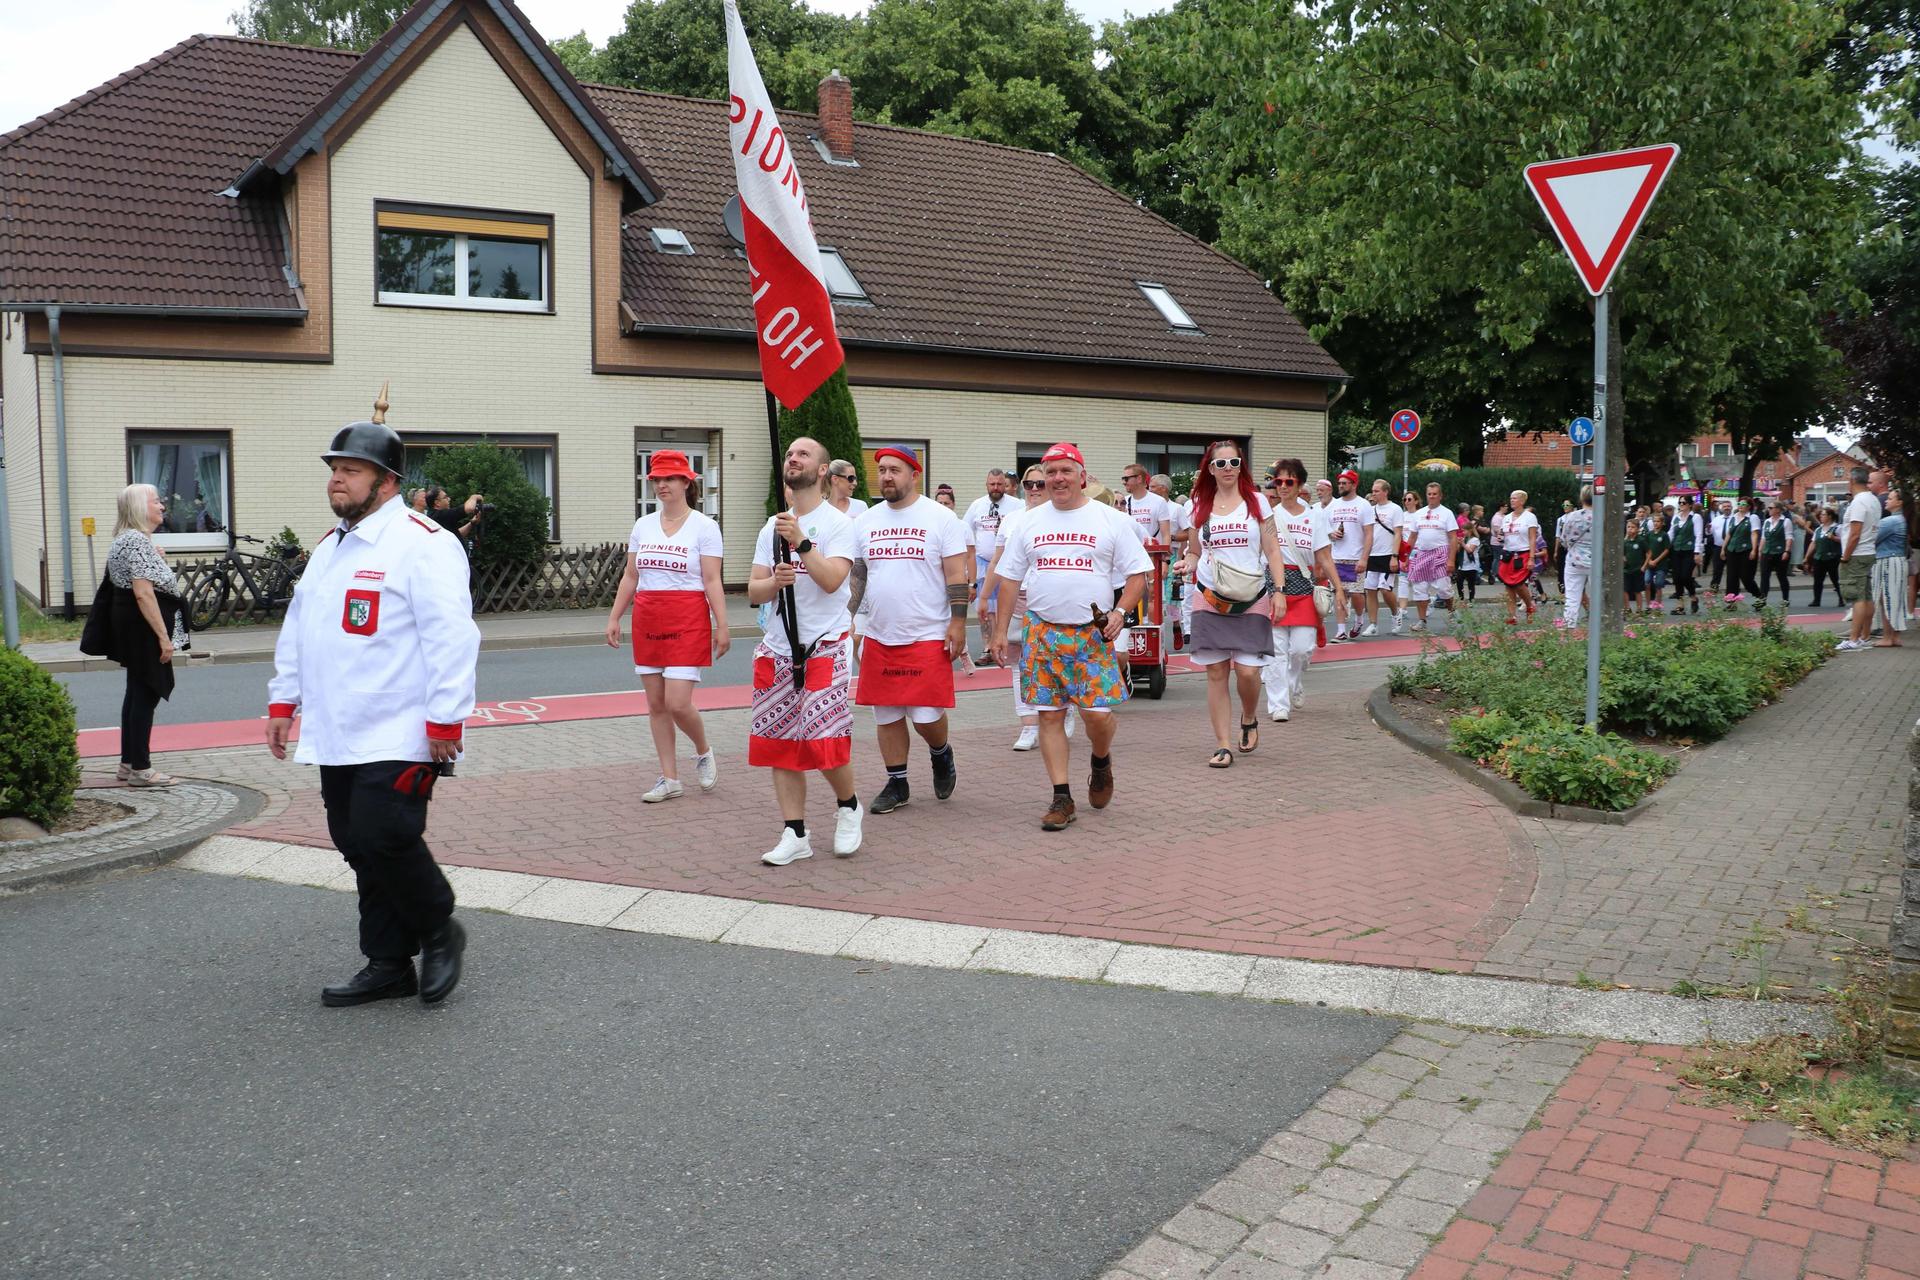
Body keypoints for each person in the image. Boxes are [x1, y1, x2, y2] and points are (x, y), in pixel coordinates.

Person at [266, 398, 480, 1007]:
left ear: (387, 481)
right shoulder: (333, 547)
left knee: (385, 834)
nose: (337, 478)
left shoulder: (425, 542)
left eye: (351, 469)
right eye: (334, 468)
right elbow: (299, 629)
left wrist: (446, 717)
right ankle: (388, 962)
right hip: (339, 728)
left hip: (404, 728)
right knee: (354, 841)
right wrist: (284, 702)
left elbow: (453, 636)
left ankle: (440, 928)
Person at [989, 442, 1150, 831]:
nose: (1057, 478)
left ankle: (1101, 760)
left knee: (1097, 716)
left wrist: (1120, 612)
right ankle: (1062, 797)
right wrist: (999, 631)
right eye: (1051, 472)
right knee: (1049, 716)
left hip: (1091, 636)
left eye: (1065, 470)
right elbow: (1009, 579)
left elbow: (1138, 577)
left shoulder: (1110, 520)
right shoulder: (1029, 521)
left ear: (1082, 474)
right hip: (1042, 632)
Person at [748, 437, 863, 863]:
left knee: (821, 737)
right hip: (778, 648)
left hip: (825, 645)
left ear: (821, 472)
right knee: (780, 742)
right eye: (790, 453)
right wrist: (774, 582)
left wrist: (801, 542)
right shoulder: (770, 526)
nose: (793, 457)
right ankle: (795, 833)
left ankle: (849, 806)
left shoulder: (838, 524)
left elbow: (834, 580)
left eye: (804, 454)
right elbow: (755, 591)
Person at [847, 447, 971, 813]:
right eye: (882, 470)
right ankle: (897, 783)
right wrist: (848, 616)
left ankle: (940, 752)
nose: (886, 476)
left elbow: (956, 574)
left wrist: (958, 622)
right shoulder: (866, 521)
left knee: (925, 716)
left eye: (895, 470)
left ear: (914, 474)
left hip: (927, 631)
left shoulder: (940, 518)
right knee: (885, 714)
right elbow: (859, 574)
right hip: (880, 632)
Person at [604, 450, 728, 802]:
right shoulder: (643, 525)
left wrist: (722, 625)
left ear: (687, 482)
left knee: (677, 702)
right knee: (656, 704)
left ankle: (703, 749)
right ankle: (669, 778)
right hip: (648, 615)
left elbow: (712, 580)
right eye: (657, 479)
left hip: (687, 616)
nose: (662, 485)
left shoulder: (705, 526)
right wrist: (614, 617)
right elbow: (631, 575)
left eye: (669, 479)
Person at [1184, 440, 1286, 765]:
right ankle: (1223, 744)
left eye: (1234, 463)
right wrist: (1187, 562)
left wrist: (1280, 590)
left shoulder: (1257, 502)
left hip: (1251, 595)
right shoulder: (1198, 503)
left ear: (1241, 466)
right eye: (1221, 464)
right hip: (1209, 595)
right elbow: (1194, 551)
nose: (1228, 469)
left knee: (1246, 673)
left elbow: (1272, 550)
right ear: (1210, 469)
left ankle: (1249, 716)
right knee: (1215, 670)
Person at [99, 483, 188, 788]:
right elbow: (143, 594)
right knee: (146, 694)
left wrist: (156, 556)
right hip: (143, 629)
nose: (162, 506)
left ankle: (128, 763)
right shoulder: (136, 541)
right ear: (140, 508)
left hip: (131, 627)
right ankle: (141, 769)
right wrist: (164, 638)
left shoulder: (130, 540)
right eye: (156, 501)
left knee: (136, 693)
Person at [984, 465, 1062, 751]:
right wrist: (984, 597)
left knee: (1055, 660)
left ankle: (1063, 713)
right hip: (1017, 594)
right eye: (1029, 485)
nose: (1034, 491)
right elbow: (998, 561)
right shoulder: (1013, 519)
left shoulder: (1062, 517)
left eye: (1040, 484)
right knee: (1019, 662)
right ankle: (1029, 725)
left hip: (1052, 597)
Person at [1264, 459, 1345, 723]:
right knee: (1276, 649)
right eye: (1279, 482)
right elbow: (1258, 551)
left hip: (1304, 582)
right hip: (1275, 583)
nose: (1283, 486)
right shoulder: (1269, 515)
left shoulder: (1314, 515)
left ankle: (1294, 683)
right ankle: (1278, 704)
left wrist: (1339, 588)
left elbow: (1323, 554)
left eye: (1289, 481)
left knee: (1301, 648)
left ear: (1299, 484)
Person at [963, 468, 1017, 659]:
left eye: (999, 484)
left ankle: (1003, 643)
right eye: (992, 484)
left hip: (1007, 565)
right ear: (986, 485)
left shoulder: (1017, 506)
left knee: (1003, 606)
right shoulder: (977, 505)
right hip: (982, 563)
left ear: (1006, 485)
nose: (996, 488)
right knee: (983, 609)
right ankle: (987, 647)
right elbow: (966, 532)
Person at [1403, 481, 1458, 632]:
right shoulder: (1419, 514)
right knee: (1419, 589)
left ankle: (1452, 612)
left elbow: (1453, 537)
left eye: (1435, 494)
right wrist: (1405, 557)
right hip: (1422, 553)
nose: (1432, 497)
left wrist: (1451, 560)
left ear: (1440, 496)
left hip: (1440, 552)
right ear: (1426, 495)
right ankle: (1422, 621)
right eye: (1429, 494)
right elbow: (1412, 537)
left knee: (1443, 588)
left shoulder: (1446, 513)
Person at [1836, 467, 1881, 651]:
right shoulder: (1873, 500)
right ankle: (1864, 636)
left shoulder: (1858, 502)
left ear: (1852, 481)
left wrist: (1845, 556)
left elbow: (1855, 533)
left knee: (1857, 597)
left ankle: (1854, 639)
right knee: (1867, 595)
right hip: (1869, 550)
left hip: (1856, 553)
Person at [1322, 469, 1370, 640]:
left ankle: (1358, 619)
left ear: (1354, 484)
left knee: (1356, 593)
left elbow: (1369, 534)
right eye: (1339, 483)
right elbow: (1325, 530)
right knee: (1338, 591)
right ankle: (1341, 630)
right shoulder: (1333, 506)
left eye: (1344, 483)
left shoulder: (1363, 505)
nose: (1340, 486)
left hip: (1356, 557)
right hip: (1336, 556)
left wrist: (1364, 558)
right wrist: (1332, 534)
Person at [1360, 478, 1404, 636]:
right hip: (1372, 554)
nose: (1374, 494)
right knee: (1370, 590)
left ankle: (1395, 612)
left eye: (1377, 491)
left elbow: (1398, 533)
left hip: (1387, 554)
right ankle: (1373, 624)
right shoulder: (1370, 510)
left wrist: (1394, 556)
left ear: (1385, 492)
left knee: (1385, 590)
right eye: (1373, 491)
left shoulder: (1395, 509)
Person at [1492, 489, 1542, 624]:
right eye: (1511, 498)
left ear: (1522, 501)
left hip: (1523, 553)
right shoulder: (1506, 518)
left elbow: (1532, 538)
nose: (1511, 500)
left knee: (1519, 584)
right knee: (1508, 585)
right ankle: (1512, 616)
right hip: (1508, 554)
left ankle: (1530, 606)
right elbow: (1503, 535)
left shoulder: (1529, 517)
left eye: (1514, 498)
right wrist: (1500, 537)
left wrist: (1532, 558)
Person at [1872, 488, 1909, 647]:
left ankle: (1887, 637)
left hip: (1887, 561)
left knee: (1886, 598)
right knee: (1897, 599)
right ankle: (1895, 636)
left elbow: (1872, 539)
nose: (1886, 500)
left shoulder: (1890, 521)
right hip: (1899, 561)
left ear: (1899, 503)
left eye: (1891, 498)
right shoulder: (1902, 519)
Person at [1556, 486, 1594, 628]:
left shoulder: (1572, 517)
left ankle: (1569, 626)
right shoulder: (1603, 515)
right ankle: (1599, 627)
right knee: (1599, 596)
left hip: (1574, 561)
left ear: (1581, 498)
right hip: (1595, 562)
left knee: (1571, 597)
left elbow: (1564, 540)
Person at [1118, 463, 1173, 547]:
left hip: (1151, 554)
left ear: (1139, 479)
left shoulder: (1159, 501)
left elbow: (1165, 534)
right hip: (1130, 552)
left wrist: (1165, 557)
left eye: (1126, 479)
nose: (1123, 482)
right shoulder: (1123, 501)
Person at [1667, 497, 1702, 615]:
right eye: (1680, 503)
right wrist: (1664, 545)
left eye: (1684, 502)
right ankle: (1680, 605)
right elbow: (1671, 533)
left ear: (1690, 505)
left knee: (1685, 576)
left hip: (1689, 550)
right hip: (1676, 550)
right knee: (1677, 578)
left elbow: (1698, 535)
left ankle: (1693, 597)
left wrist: (1697, 553)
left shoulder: (1695, 517)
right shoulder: (1676, 518)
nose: (1681, 504)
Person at [1802, 505, 1843, 607]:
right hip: (1819, 557)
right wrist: (1807, 557)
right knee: (1817, 580)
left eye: (1823, 515)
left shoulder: (1837, 528)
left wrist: (1834, 538)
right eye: (1820, 515)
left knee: (1835, 579)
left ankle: (1841, 599)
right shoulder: (1818, 529)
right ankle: (1816, 600)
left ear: (1830, 516)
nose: (1821, 516)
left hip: (1832, 557)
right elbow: (1813, 543)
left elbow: (1844, 540)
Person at [1756, 501, 1794, 607]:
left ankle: (1785, 599)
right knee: (1764, 577)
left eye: (1771, 507)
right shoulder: (1767, 521)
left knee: (1781, 576)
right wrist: (1760, 550)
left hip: (1780, 552)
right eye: (1769, 507)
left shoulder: (1786, 521)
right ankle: (1762, 601)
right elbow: (1764, 537)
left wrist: (1787, 551)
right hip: (1767, 552)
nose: (1769, 509)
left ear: (1778, 509)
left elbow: (1789, 537)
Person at [1642, 511, 1670, 614]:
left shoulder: (1664, 535)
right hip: (1650, 564)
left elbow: (1666, 550)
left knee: (1658, 584)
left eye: (1658, 521)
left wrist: (1656, 560)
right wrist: (1649, 560)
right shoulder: (1649, 535)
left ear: (1662, 523)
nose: (1656, 523)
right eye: (1654, 521)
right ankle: (1649, 605)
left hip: (1660, 564)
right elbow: (1646, 549)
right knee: (1647, 582)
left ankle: (1658, 605)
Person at [1622, 516, 1648, 615]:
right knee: (1625, 590)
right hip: (1626, 569)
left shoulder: (1641, 540)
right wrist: (1623, 558)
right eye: (1628, 527)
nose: (1630, 529)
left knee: (1638, 590)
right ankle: (1627, 608)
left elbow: (1648, 553)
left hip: (1638, 569)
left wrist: (1644, 566)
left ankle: (1639, 609)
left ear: (1637, 529)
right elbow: (1622, 553)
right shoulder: (1625, 541)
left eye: (1632, 527)